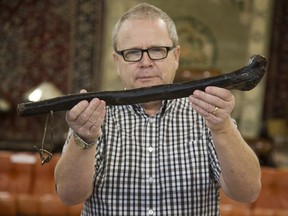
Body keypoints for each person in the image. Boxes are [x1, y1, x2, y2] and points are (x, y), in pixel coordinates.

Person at [54, 3, 261, 215]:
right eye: (133, 52)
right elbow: (69, 196)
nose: (146, 62)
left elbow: (247, 193)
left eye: (156, 50)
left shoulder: (208, 111)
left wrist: (223, 128)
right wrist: (84, 139)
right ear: (117, 61)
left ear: (176, 56)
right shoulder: (93, 116)